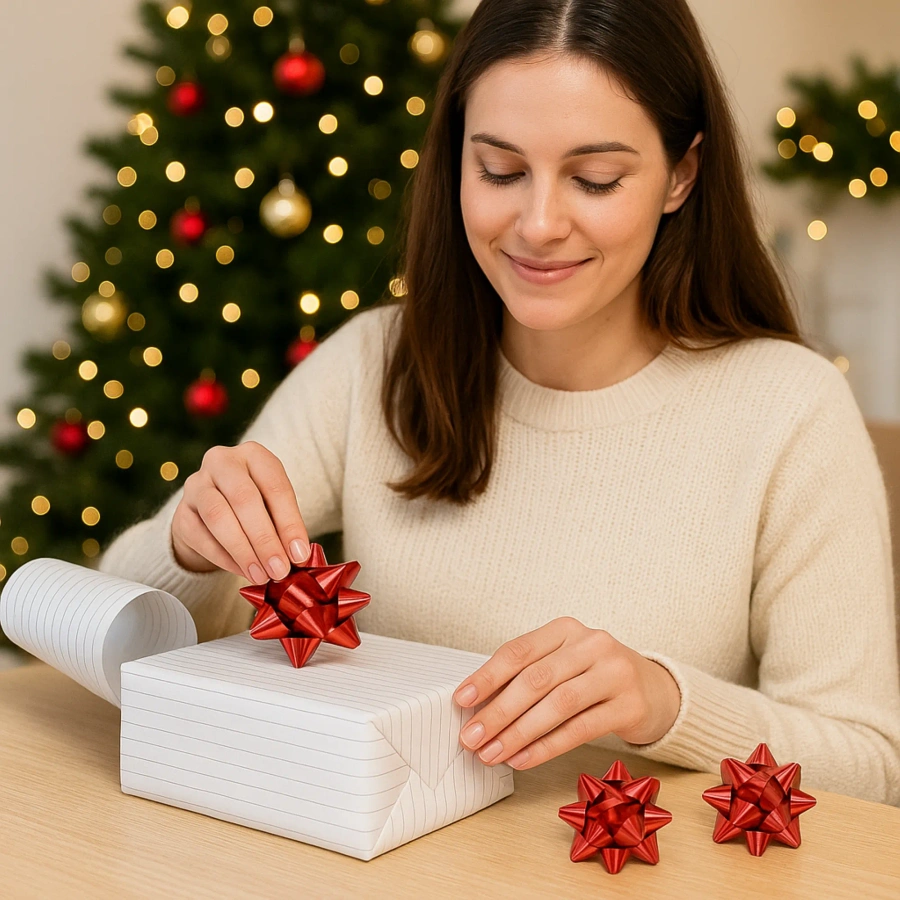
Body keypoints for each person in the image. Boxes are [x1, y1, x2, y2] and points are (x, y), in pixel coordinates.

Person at [99, 0, 900, 805]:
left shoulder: (789, 410)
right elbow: (124, 638)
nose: (539, 223)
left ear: (682, 174)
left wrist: (665, 703)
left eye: (595, 179)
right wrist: (189, 547)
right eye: (500, 171)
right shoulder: (378, 363)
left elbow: (872, 766)